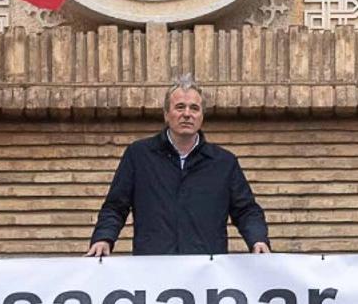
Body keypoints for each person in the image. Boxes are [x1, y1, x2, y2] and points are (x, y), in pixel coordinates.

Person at [87, 75, 270, 256]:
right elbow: (115, 207)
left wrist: (258, 239)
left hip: (207, 272)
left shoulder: (224, 163)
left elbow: (246, 210)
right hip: (153, 272)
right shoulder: (139, 156)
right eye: (180, 107)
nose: (187, 114)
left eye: (194, 108)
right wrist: (104, 238)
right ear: (166, 114)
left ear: (201, 117)